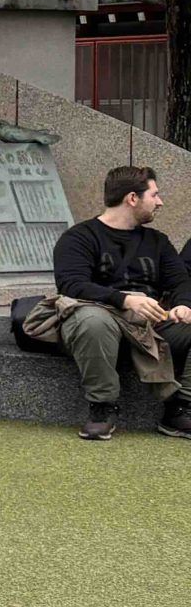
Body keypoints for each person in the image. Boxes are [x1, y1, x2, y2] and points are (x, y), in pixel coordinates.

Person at [46, 165, 191, 441]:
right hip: (99, 320)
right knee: (92, 320)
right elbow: (72, 284)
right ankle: (102, 407)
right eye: (154, 195)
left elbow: (182, 281)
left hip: (149, 326)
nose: (160, 202)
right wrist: (125, 299)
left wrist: (184, 304)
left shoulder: (158, 241)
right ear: (132, 198)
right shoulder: (78, 237)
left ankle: (180, 408)